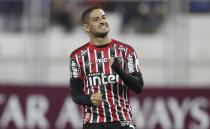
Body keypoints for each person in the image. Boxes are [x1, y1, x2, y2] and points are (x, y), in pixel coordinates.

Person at [69, 6, 144, 129]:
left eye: (104, 17)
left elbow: (138, 86)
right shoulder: (77, 56)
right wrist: (90, 99)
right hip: (93, 123)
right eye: (96, 19)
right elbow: (76, 94)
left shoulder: (126, 51)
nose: (103, 21)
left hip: (122, 122)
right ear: (86, 27)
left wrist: (119, 70)